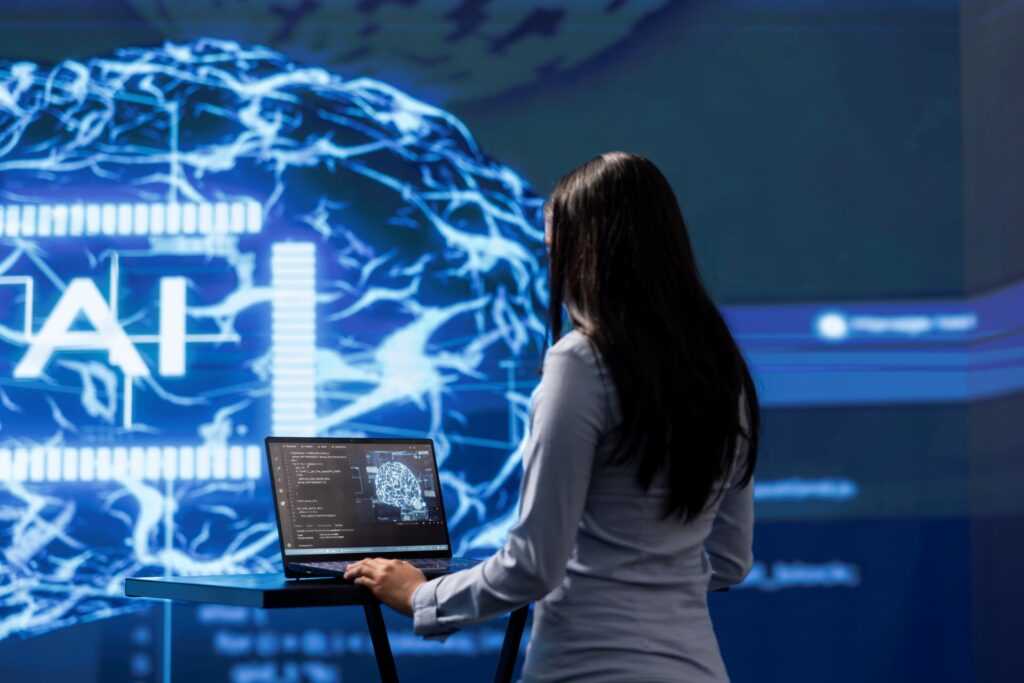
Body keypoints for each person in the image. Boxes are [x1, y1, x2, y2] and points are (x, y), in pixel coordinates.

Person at [345, 151, 760, 682]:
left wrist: (420, 595)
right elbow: (731, 560)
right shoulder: (720, 368)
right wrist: (652, 576)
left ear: (585, 254)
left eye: (553, 251)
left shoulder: (581, 361)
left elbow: (534, 565)